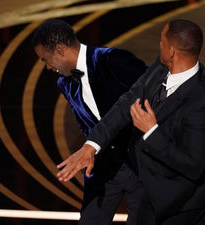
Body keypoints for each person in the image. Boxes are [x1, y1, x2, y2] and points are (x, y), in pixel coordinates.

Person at [57, 19, 205, 225]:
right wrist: (92, 146)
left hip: (183, 206)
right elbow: (128, 101)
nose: (159, 45)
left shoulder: (200, 104)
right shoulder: (163, 66)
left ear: (172, 51)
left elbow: (192, 164)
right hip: (150, 194)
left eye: (162, 42)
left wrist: (151, 131)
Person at [32, 19, 147, 225]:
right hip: (102, 165)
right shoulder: (64, 83)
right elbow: (87, 125)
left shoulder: (113, 60)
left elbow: (154, 96)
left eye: (45, 60)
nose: (48, 67)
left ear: (59, 50)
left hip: (140, 163)